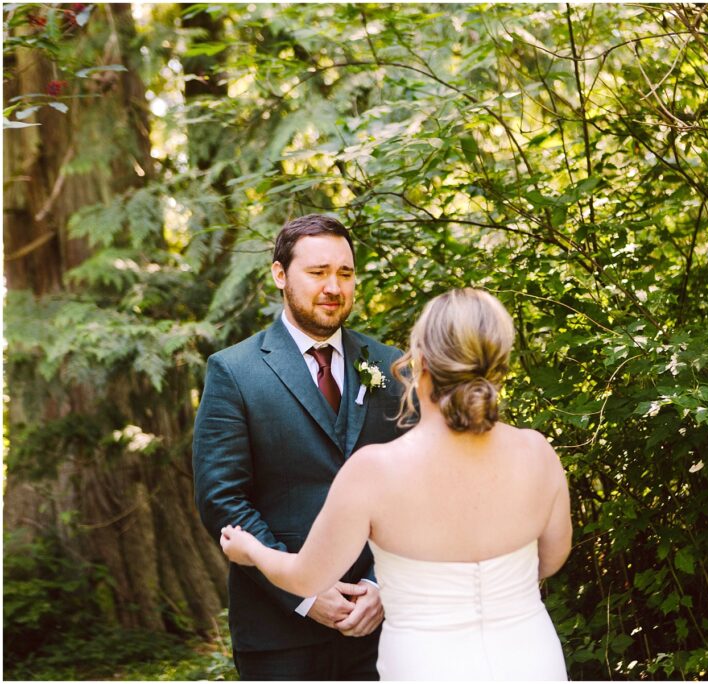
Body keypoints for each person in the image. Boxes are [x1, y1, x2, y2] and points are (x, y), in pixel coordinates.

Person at [220, 288, 572, 680]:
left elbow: (306, 577)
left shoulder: (375, 470)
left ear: (419, 362)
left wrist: (252, 550)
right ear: (499, 363)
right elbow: (552, 559)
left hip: (427, 665)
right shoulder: (537, 452)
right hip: (530, 658)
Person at [193, 214, 405, 680]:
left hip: (382, 630)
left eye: (345, 274)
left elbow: (416, 491)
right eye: (318, 272)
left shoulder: (393, 367)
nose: (334, 286)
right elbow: (222, 499)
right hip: (279, 635)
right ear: (279, 274)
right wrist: (304, 591)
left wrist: (383, 586)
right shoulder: (235, 371)